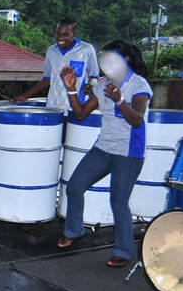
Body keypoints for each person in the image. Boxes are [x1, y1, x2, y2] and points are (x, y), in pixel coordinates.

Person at [57, 40, 152, 268]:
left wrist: (119, 99)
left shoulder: (139, 85)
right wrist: (71, 87)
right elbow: (79, 114)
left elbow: (137, 120)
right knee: (75, 186)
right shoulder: (101, 85)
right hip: (104, 147)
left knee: (118, 201)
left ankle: (124, 251)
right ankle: (74, 230)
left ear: (125, 60)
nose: (105, 63)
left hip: (129, 152)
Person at [14, 18, 99, 112]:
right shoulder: (51, 51)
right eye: (58, 33)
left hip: (76, 109)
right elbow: (47, 79)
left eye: (65, 34)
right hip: (53, 108)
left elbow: (95, 77)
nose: (60, 38)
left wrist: (91, 86)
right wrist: (25, 96)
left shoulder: (87, 49)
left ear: (74, 34)